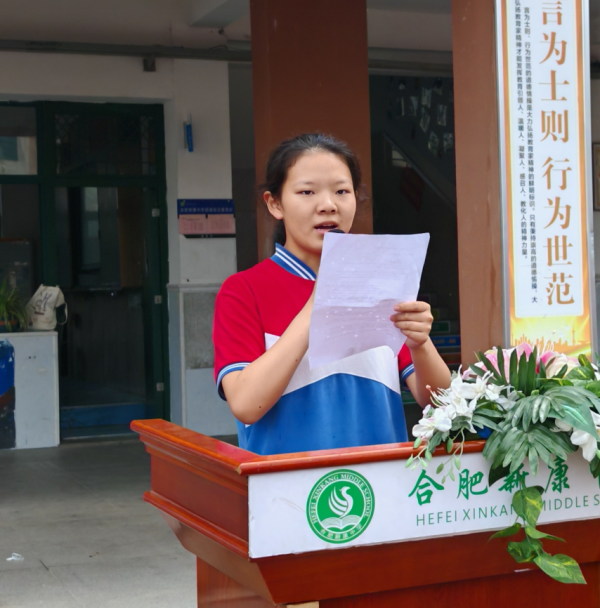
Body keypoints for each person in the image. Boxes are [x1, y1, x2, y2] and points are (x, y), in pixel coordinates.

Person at [213, 133, 450, 455]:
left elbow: (439, 401)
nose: (328, 205)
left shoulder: (382, 284)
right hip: (287, 482)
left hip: (382, 478)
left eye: (341, 191)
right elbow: (245, 404)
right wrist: (318, 304)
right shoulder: (243, 291)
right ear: (275, 203)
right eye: (307, 192)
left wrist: (420, 344)